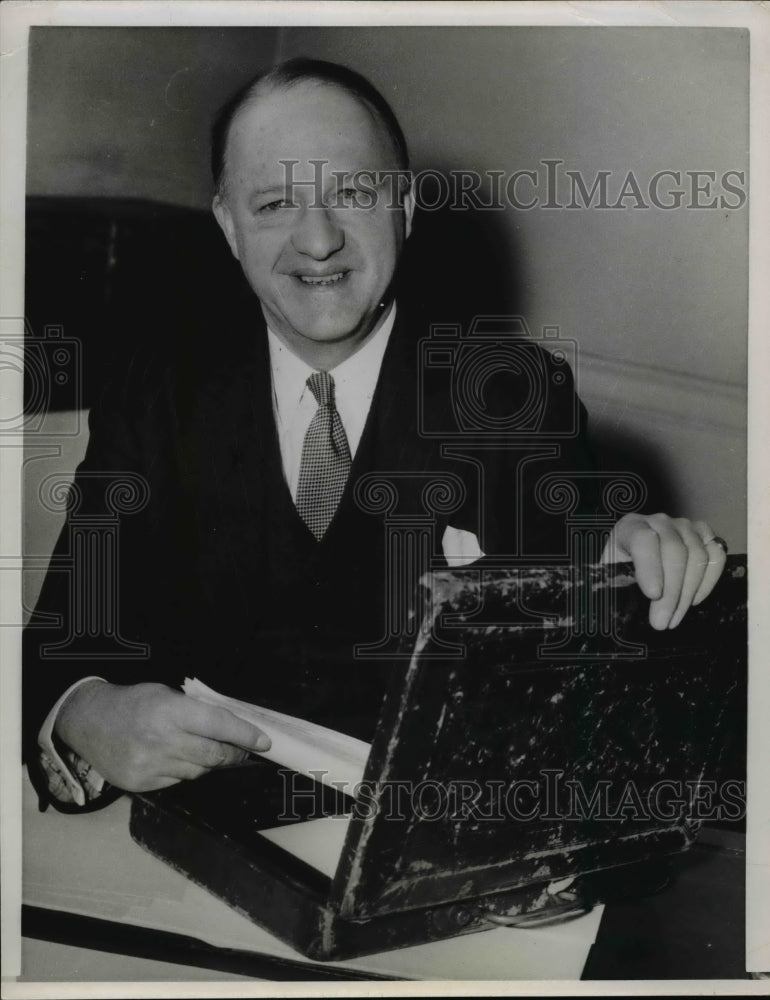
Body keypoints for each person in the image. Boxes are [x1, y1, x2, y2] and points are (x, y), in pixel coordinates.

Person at [23, 58, 728, 812]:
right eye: (274, 204)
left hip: (424, 852)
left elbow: (576, 580)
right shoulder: (158, 389)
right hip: (194, 839)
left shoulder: (508, 394)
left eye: (353, 193)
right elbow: (68, 638)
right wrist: (89, 712)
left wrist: (629, 569)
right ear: (228, 226)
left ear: (408, 207)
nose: (318, 240)